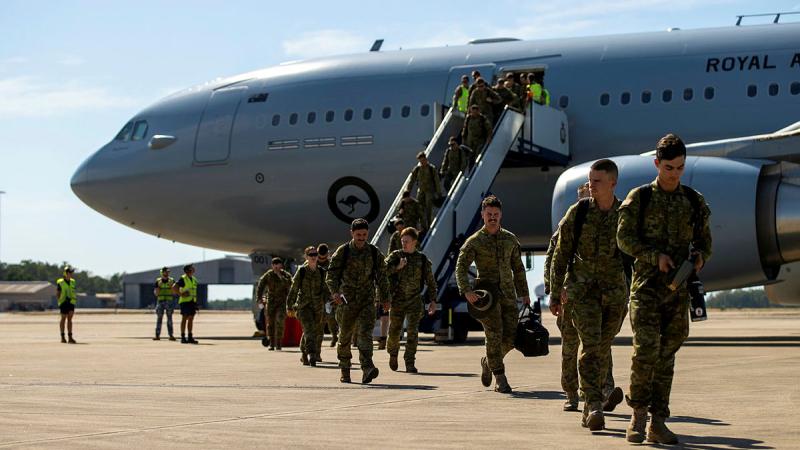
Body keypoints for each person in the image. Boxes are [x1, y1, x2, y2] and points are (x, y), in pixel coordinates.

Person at [617, 133, 712, 444]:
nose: (675, 173)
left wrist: (698, 259)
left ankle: (658, 422)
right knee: (645, 350)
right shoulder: (640, 198)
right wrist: (652, 256)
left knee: (667, 355)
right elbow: (624, 239)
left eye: (680, 168)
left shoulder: (694, 202)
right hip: (645, 288)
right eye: (670, 167)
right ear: (657, 164)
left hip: (677, 289)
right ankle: (638, 416)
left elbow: (705, 244)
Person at [550, 160, 629, 431]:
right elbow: (560, 255)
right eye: (590, 180)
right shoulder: (579, 213)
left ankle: (593, 401)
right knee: (591, 347)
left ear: (612, 183)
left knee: (602, 347)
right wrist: (553, 291)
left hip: (615, 295)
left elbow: (639, 254)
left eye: (597, 181)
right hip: (582, 292)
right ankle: (593, 404)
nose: (591, 185)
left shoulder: (626, 215)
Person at [455, 195, 530, 393]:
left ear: (501, 215)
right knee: (494, 334)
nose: (492, 218)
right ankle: (500, 377)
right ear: (482, 215)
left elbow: (518, 268)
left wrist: (524, 293)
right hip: (486, 298)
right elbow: (461, 266)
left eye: (496, 214)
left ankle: (488, 361)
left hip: (508, 294)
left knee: (511, 338)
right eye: (489, 214)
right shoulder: (475, 241)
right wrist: (466, 290)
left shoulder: (510, 239)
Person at [326, 218, 391, 384]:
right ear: (352, 233)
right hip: (346, 301)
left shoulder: (374, 253)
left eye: (364, 234)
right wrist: (335, 293)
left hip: (367, 301)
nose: (361, 238)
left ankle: (367, 368)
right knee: (345, 336)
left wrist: (385, 298)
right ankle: (345, 368)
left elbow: (382, 277)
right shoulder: (343, 251)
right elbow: (331, 275)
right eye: (358, 235)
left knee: (365, 334)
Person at [545, 182, 589, 411]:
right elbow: (553, 261)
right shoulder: (567, 227)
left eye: (589, 195)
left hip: (593, 298)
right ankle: (571, 394)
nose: (587, 200)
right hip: (568, 297)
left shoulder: (606, 224)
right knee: (570, 349)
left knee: (599, 347)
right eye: (583, 197)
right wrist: (553, 292)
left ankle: (603, 389)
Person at [385, 227, 437, 373]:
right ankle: (393, 354)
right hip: (397, 300)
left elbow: (430, 281)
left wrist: (433, 300)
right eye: (402, 241)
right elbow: (383, 271)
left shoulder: (422, 259)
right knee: (394, 331)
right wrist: (397, 267)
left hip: (414, 300)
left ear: (414, 242)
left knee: (413, 332)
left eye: (407, 241)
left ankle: (409, 362)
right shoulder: (395, 256)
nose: (404, 244)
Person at [287, 246, 331, 367]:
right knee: (309, 330)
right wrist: (289, 306)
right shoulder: (301, 271)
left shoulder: (322, 272)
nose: (313, 257)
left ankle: (303, 353)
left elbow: (326, 290)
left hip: (318, 307)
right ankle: (312, 354)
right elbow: (294, 289)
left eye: (315, 254)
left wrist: (330, 301)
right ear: (306, 257)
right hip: (303, 306)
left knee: (313, 331)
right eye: (311, 255)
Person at [256, 257, 293, 351]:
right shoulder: (268, 275)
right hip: (271, 302)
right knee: (270, 324)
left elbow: (290, 286)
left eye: (278, 264)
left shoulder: (286, 275)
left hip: (282, 302)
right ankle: (272, 344)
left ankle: (279, 343)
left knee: (280, 321)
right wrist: (259, 298)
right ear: (272, 266)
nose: (276, 266)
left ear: (281, 265)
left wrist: (280, 277)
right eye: (274, 264)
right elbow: (261, 285)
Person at [408, 152, 442, 234]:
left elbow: (437, 181)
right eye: (420, 161)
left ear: (426, 159)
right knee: (420, 208)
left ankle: (429, 225)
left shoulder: (431, 169)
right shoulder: (417, 169)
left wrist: (439, 192)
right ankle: (423, 227)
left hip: (429, 191)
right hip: (421, 191)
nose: (422, 162)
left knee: (428, 208)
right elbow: (412, 180)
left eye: (423, 160)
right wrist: (408, 191)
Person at [317, 243, 338, 347]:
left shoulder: (331, 265)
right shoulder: (313, 263)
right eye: (320, 257)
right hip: (316, 297)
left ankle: (334, 335)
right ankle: (317, 348)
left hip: (329, 297)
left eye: (324, 257)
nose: (321, 259)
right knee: (319, 322)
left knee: (331, 318)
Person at [172, 264, 199, 344]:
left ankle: (190, 336)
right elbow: (174, 287)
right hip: (185, 302)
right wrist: (181, 294)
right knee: (184, 318)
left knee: (191, 318)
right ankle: (183, 337)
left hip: (192, 301)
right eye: (192, 268)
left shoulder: (194, 279)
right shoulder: (183, 278)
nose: (193, 269)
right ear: (188, 270)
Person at [153, 267, 176, 341]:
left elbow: (174, 292)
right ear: (162, 272)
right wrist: (159, 287)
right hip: (160, 301)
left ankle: (171, 335)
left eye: (168, 272)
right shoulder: (158, 281)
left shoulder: (172, 281)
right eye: (166, 272)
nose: (167, 273)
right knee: (159, 318)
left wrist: (171, 286)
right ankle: (157, 335)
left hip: (169, 301)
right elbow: (156, 293)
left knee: (169, 319)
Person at [56, 265, 78, 344]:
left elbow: (73, 291)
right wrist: (60, 302)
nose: (71, 274)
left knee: (70, 319)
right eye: (69, 272)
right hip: (63, 302)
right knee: (63, 318)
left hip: (71, 302)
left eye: (71, 272)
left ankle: (70, 337)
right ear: (65, 273)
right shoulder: (60, 282)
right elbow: (58, 293)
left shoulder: (73, 281)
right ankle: (62, 337)